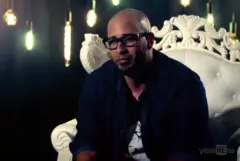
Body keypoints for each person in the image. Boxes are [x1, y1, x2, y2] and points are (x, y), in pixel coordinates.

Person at [69, 9, 214, 161]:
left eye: (129, 39)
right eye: (113, 42)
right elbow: (86, 141)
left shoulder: (185, 84)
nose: (120, 49)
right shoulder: (97, 83)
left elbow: (186, 151)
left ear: (150, 40)